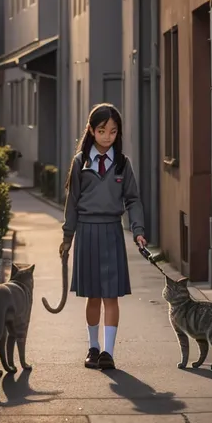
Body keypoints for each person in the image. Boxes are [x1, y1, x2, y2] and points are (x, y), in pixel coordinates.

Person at [59, 102, 147, 370]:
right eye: (102, 130)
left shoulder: (122, 164)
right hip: (86, 232)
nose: (108, 136)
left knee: (111, 295)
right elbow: (71, 203)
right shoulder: (79, 163)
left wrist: (138, 231)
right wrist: (67, 238)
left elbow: (133, 200)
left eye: (113, 131)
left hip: (112, 232)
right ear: (91, 131)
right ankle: (93, 347)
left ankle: (108, 352)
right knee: (93, 296)